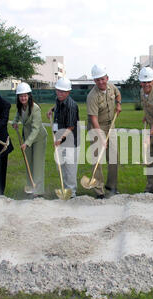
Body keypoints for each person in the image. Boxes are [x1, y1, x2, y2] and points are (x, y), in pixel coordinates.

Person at [86, 64, 122, 199]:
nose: (101, 82)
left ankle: (111, 186)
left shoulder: (111, 87)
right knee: (97, 159)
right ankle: (99, 190)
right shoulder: (92, 96)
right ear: (94, 81)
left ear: (107, 78)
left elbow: (118, 94)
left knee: (114, 156)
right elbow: (93, 119)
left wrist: (119, 104)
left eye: (103, 79)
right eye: (97, 80)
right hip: (96, 127)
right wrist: (101, 138)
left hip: (110, 125)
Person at [12, 82, 47, 197]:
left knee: (37, 164)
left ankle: (39, 191)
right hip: (27, 137)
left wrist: (26, 143)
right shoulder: (20, 106)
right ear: (18, 97)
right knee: (29, 164)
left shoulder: (35, 108)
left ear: (29, 96)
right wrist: (15, 122)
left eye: (25, 95)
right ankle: (30, 187)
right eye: (21, 96)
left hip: (38, 138)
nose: (23, 98)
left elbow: (36, 129)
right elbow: (18, 115)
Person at [46, 78, 80, 198]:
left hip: (70, 141)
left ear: (68, 92)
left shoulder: (71, 106)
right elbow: (57, 106)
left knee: (70, 169)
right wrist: (52, 109)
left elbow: (70, 127)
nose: (60, 94)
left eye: (63, 92)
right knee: (62, 167)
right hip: (60, 140)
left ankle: (72, 194)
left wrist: (60, 139)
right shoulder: (58, 100)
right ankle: (66, 190)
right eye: (58, 91)